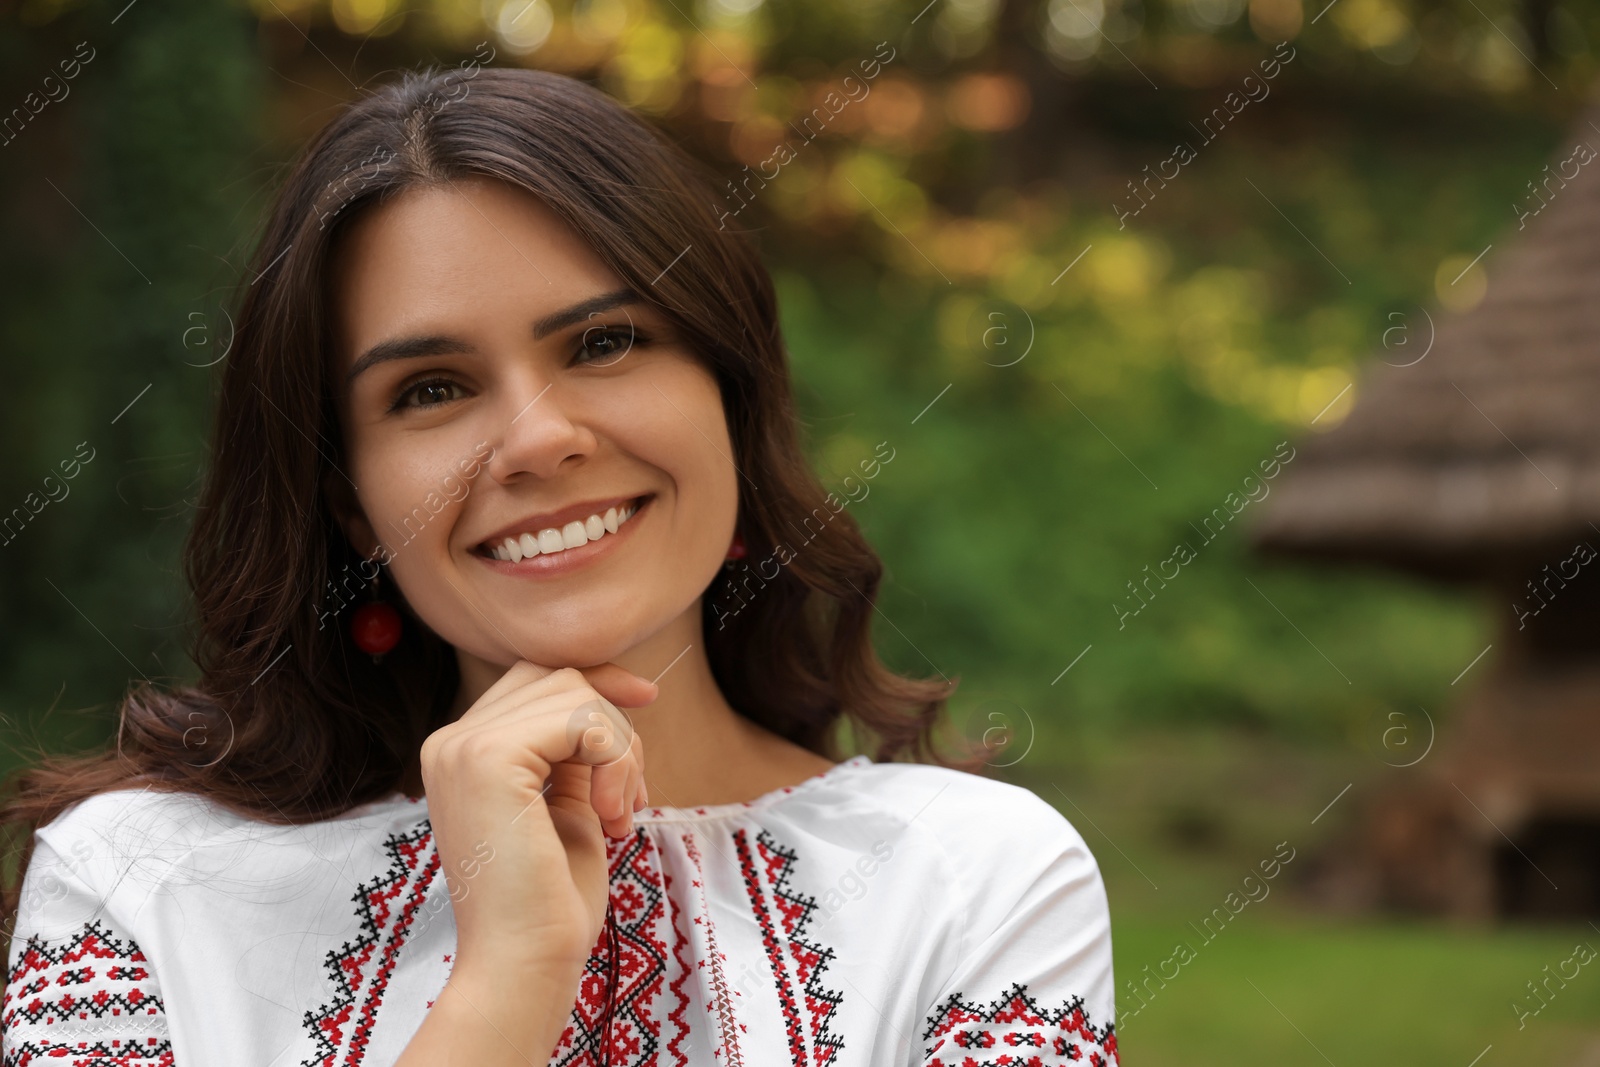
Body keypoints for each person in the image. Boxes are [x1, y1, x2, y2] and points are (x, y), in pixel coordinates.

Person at [0, 63, 1117, 1066]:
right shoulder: (137, 887)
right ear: (349, 501)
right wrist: (509, 975)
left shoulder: (977, 879)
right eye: (430, 388)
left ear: (730, 398)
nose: (538, 440)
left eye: (603, 342)